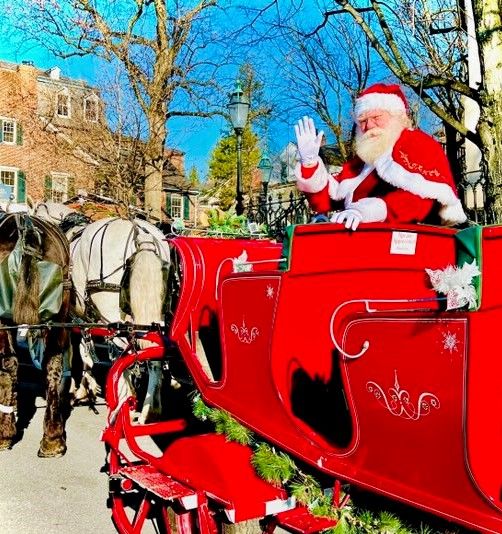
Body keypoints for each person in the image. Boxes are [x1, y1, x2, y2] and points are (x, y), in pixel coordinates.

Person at [294, 83, 467, 230]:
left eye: (376, 117)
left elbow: (419, 200)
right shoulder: (363, 163)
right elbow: (325, 201)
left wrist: (365, 211)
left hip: (413, 249)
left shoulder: (417, 144)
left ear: (398, 116)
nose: (368, 125)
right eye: (362, 120)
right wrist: (310, 164)